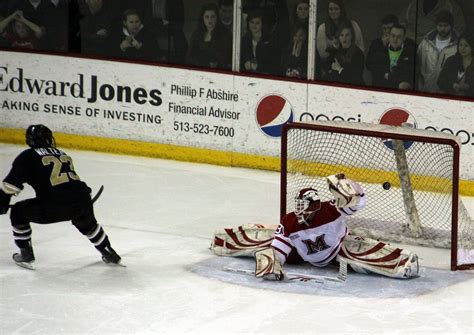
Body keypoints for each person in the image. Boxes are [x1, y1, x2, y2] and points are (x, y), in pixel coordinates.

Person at [211, 173, 419, 280]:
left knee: (359, 249)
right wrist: (272, 265)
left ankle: (402, 263)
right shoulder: (290, 222)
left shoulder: (331, 210)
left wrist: (354, 191)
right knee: (266, 239)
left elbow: (358, 203)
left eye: (304, 205)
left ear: (314, 205)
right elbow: (279, 250)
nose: (299, 210)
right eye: (298, 205)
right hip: (302, 255)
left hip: (337, 250)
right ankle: (224, 241)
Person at [0, 125, 121, 269]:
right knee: (87, 224)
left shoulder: (28, 156)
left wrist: (3, 200)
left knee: (18, 212)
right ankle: (108, 252)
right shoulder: (62, 153)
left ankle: (26, 255)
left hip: (54, 205)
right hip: (82, 199)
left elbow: (11, 184)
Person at [416, 10, 459, 93]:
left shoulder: (457, 45)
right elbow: (417, 63)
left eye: (446, 26)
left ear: (451, 26)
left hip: (447, 92)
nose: (442, 29)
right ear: (436, 25)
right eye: (440, 25)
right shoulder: (426, 42)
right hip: (425, 90)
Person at [316, 0, 364, 70]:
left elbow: (360, 46)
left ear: (341, 10)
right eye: (331, 9)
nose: (333, 12)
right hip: (331, 66)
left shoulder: (353, 25)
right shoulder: (322, 28)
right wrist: (333, 47)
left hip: (351, 65)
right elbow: (322, 53)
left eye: (336, 9)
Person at [366, 22, 416, 90]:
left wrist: (388, 76)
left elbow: (408, 76)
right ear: (389, 36)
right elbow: (376, 73)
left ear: (404, 38)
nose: (395, 40)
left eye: (398, 37)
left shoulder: (410, 54)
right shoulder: (379, 52)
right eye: (393, 36)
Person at [188, 3, 232, 70]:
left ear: (217, 17)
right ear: (202, 18)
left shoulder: (225, 34)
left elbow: (227, 57)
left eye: (213, 16)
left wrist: (217, 63)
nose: (210, 20)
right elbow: (190, 56)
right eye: (207, 17)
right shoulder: (197, 34)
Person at [240, 9, 277, 75]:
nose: (254, 25)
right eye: (252, 22)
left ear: (262, 24)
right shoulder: (244, 40)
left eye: (257, 23)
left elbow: (273, 62)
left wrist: (256, 66)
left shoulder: (270, 40)